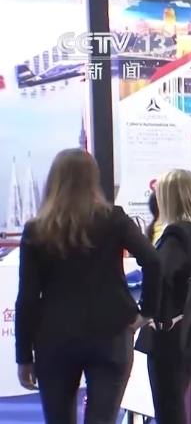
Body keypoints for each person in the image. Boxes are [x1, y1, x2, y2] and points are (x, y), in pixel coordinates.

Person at [15, 148, 162, 423]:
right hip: (110, 332)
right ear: (93, 179)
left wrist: (23, 356)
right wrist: (147, 311)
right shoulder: (114, 218)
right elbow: (153, 261)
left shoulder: (37, 229)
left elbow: (28, 298)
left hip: (54, 337)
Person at [140, 169, 191, 424]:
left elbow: (161, 277)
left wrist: (148, 313)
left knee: (169, 407)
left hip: (170, 332)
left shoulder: (176, 234)